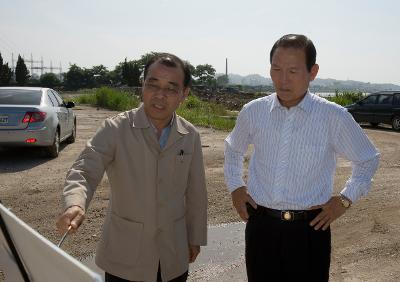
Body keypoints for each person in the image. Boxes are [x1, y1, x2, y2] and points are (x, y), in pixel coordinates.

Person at [224, 34, 379, 281]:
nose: (283, 80)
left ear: (313, 72)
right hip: (261, 227)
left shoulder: (333, 116)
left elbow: (368, 159)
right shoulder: (253, 111)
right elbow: (233, 149)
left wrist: (345, 200)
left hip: (309, 231)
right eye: (276, 69)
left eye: (293, 71)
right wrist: (235, 187)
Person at [56, 53, 207, 282]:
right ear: (142, 86)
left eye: (171, 88)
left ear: (184, 94)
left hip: (173, 255)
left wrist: (195, 237)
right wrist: (75, 203)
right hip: (124, 257)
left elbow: (196, 192)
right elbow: (85, 169)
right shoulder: (116, 129)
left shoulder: (190, 135)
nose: (159, 95)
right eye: (152, 84)